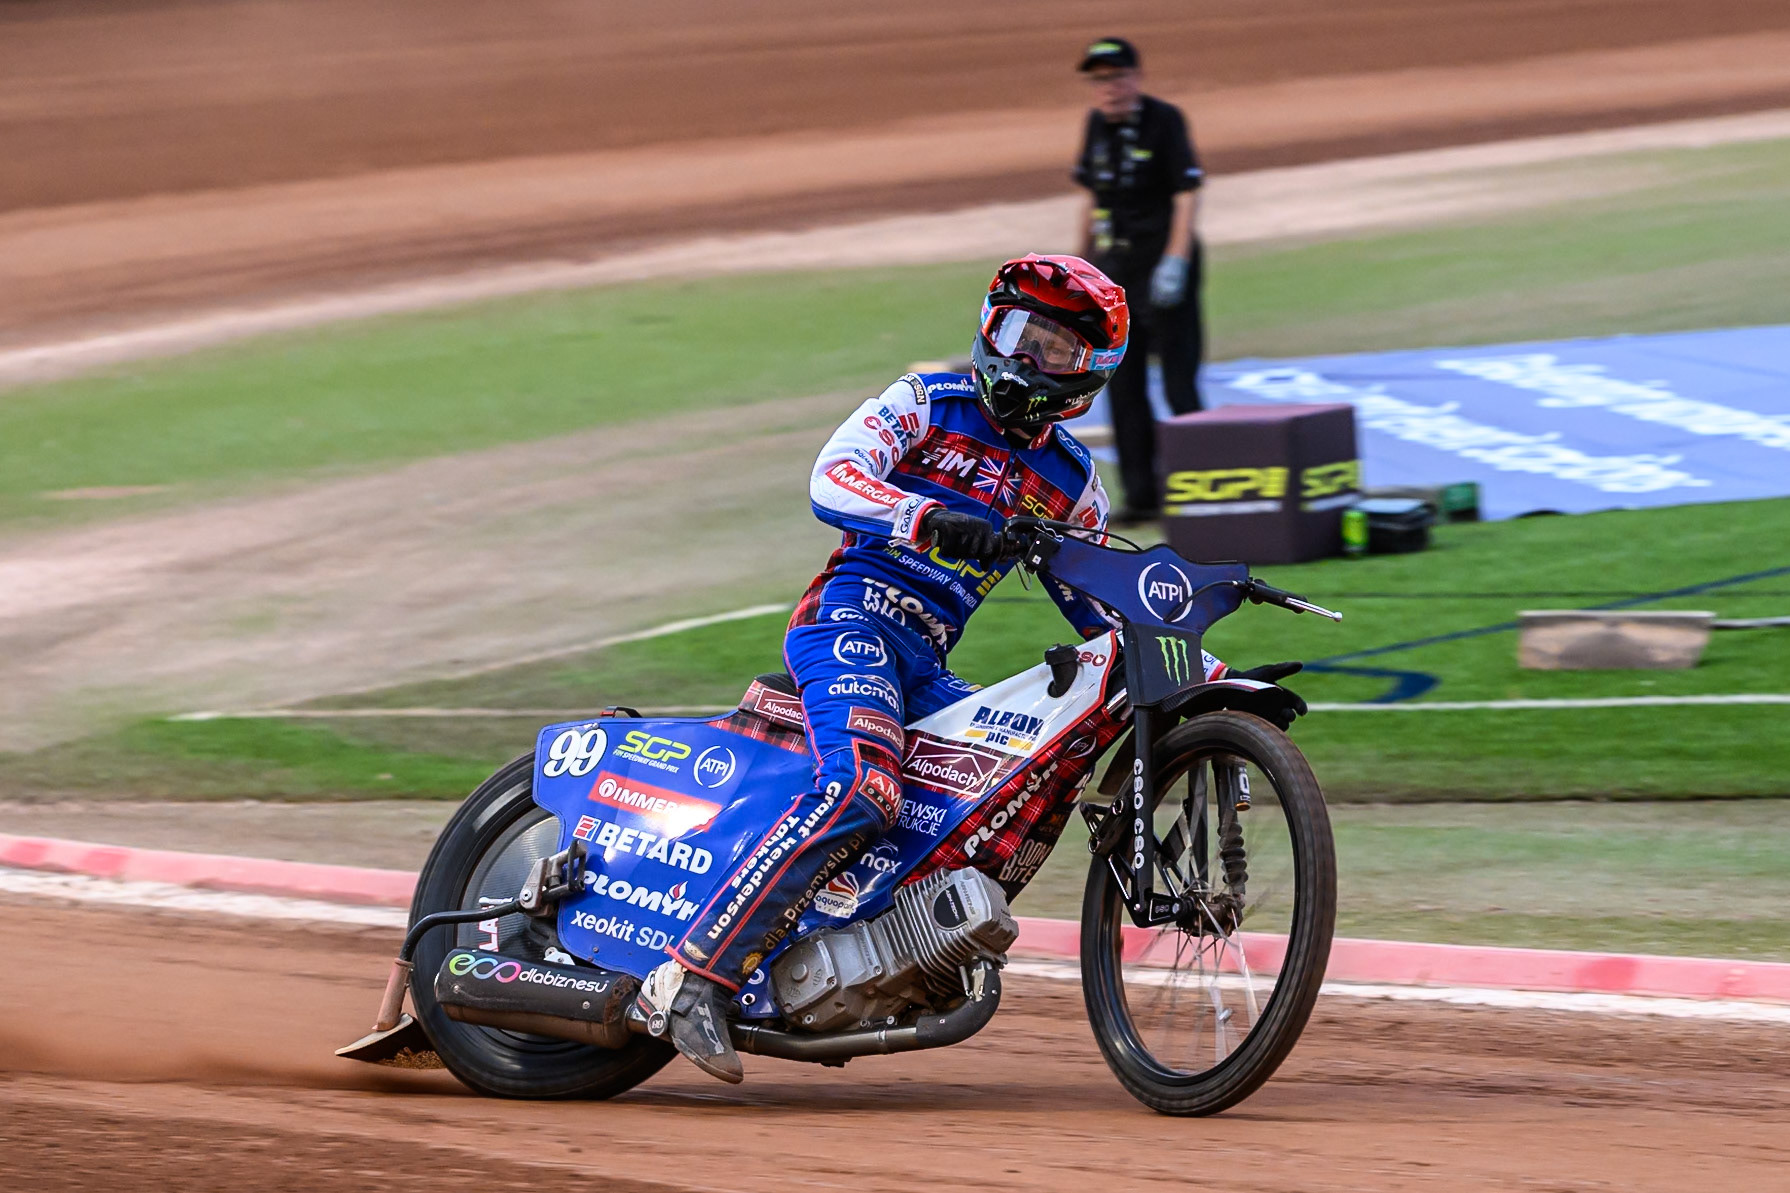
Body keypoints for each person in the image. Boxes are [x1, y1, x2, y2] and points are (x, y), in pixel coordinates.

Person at [636, 254, 1298, 1084]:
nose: (1028, 357)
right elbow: (830, 479)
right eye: (1020, 333)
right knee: (864, 789)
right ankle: (694, 976)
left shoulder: (1071, 481)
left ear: (1087, 374)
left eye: (1053, 348)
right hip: (849, 622)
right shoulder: (925, 402)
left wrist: (1193, 668)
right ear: (990, 328)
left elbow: (1100, 608)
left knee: (1005, 781)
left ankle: (871, 952)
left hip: (925, 661)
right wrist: (927, 518)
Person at [1073, 36, 1207, 525]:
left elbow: (1186, 193)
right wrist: (1080, 265)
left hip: (1163, 261)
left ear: (1135, 77)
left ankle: (1201, 490)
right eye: (1099, 80)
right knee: (1122, 385)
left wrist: (1176, 261)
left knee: (1178, 382)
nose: (1108, 88)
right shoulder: (1096, 127)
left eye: (1116, 77)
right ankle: (1142, 495)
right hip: (1118, 272)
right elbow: (1092, 199)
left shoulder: (1164, 121)